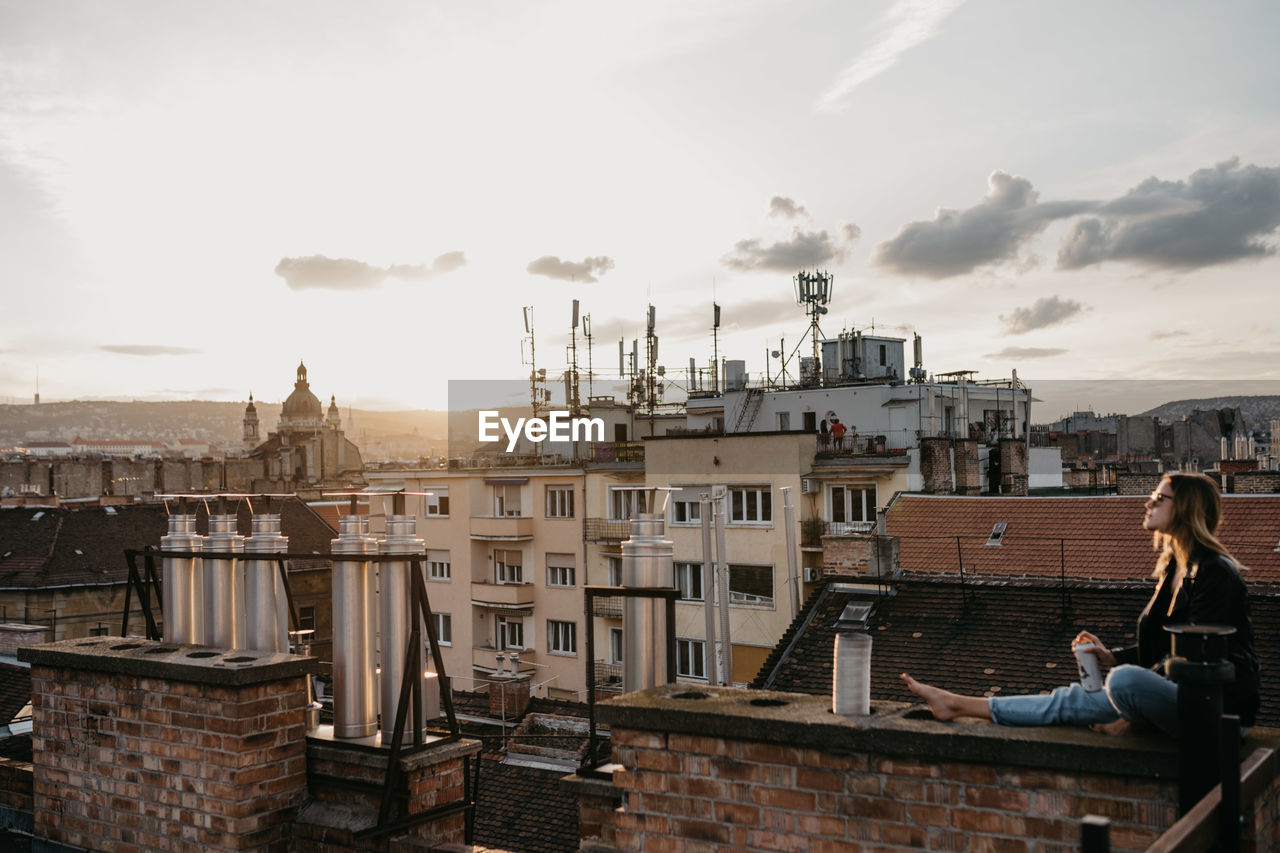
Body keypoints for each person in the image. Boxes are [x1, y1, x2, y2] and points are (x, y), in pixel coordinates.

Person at [902, 472, 1258, 737]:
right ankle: (960, 704)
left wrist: (1131, 715)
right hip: (1183, 700)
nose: (1148, 502)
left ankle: (1128, 709)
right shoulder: (1175, 567)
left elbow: (1198, 658)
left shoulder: (1214, 572)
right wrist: (1112, 655)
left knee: (1122, 684)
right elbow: (1166, 647)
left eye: (1159, 498)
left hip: (1218, 712)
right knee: (1076, 698)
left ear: (1186, 509)